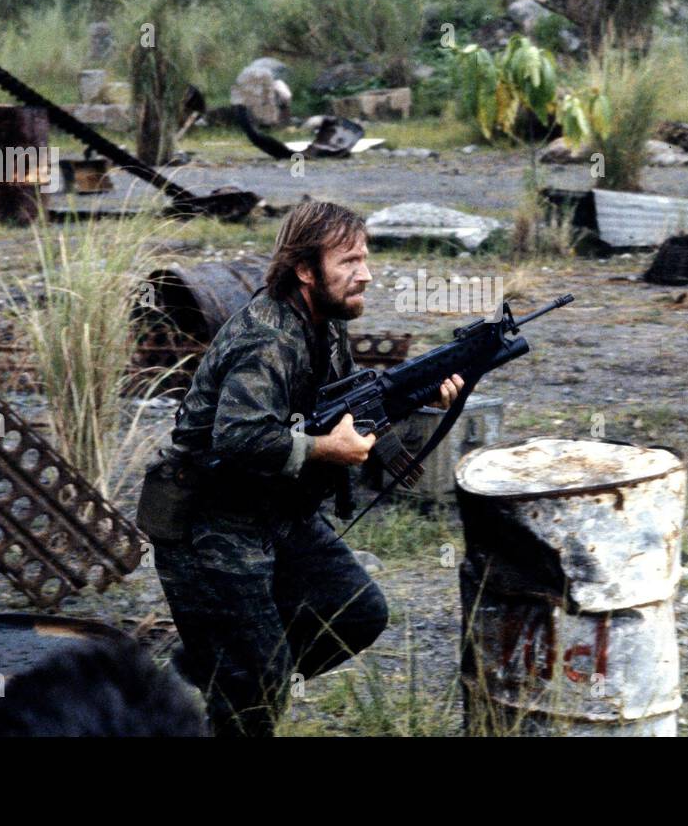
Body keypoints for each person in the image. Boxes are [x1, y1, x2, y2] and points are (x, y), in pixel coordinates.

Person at [139, 200, 461, 736]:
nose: (367, 274)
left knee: (356, 610)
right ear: (306, 271)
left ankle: (223, 670)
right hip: (209, 523)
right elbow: (236, 436)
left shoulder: (323, 323)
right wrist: (319, 452)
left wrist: (427, 395)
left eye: (365, 259)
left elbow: (347, 408)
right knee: (256, 690)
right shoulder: (268, 339)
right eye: (350, 261)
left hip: (274, 509)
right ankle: (236, 681)